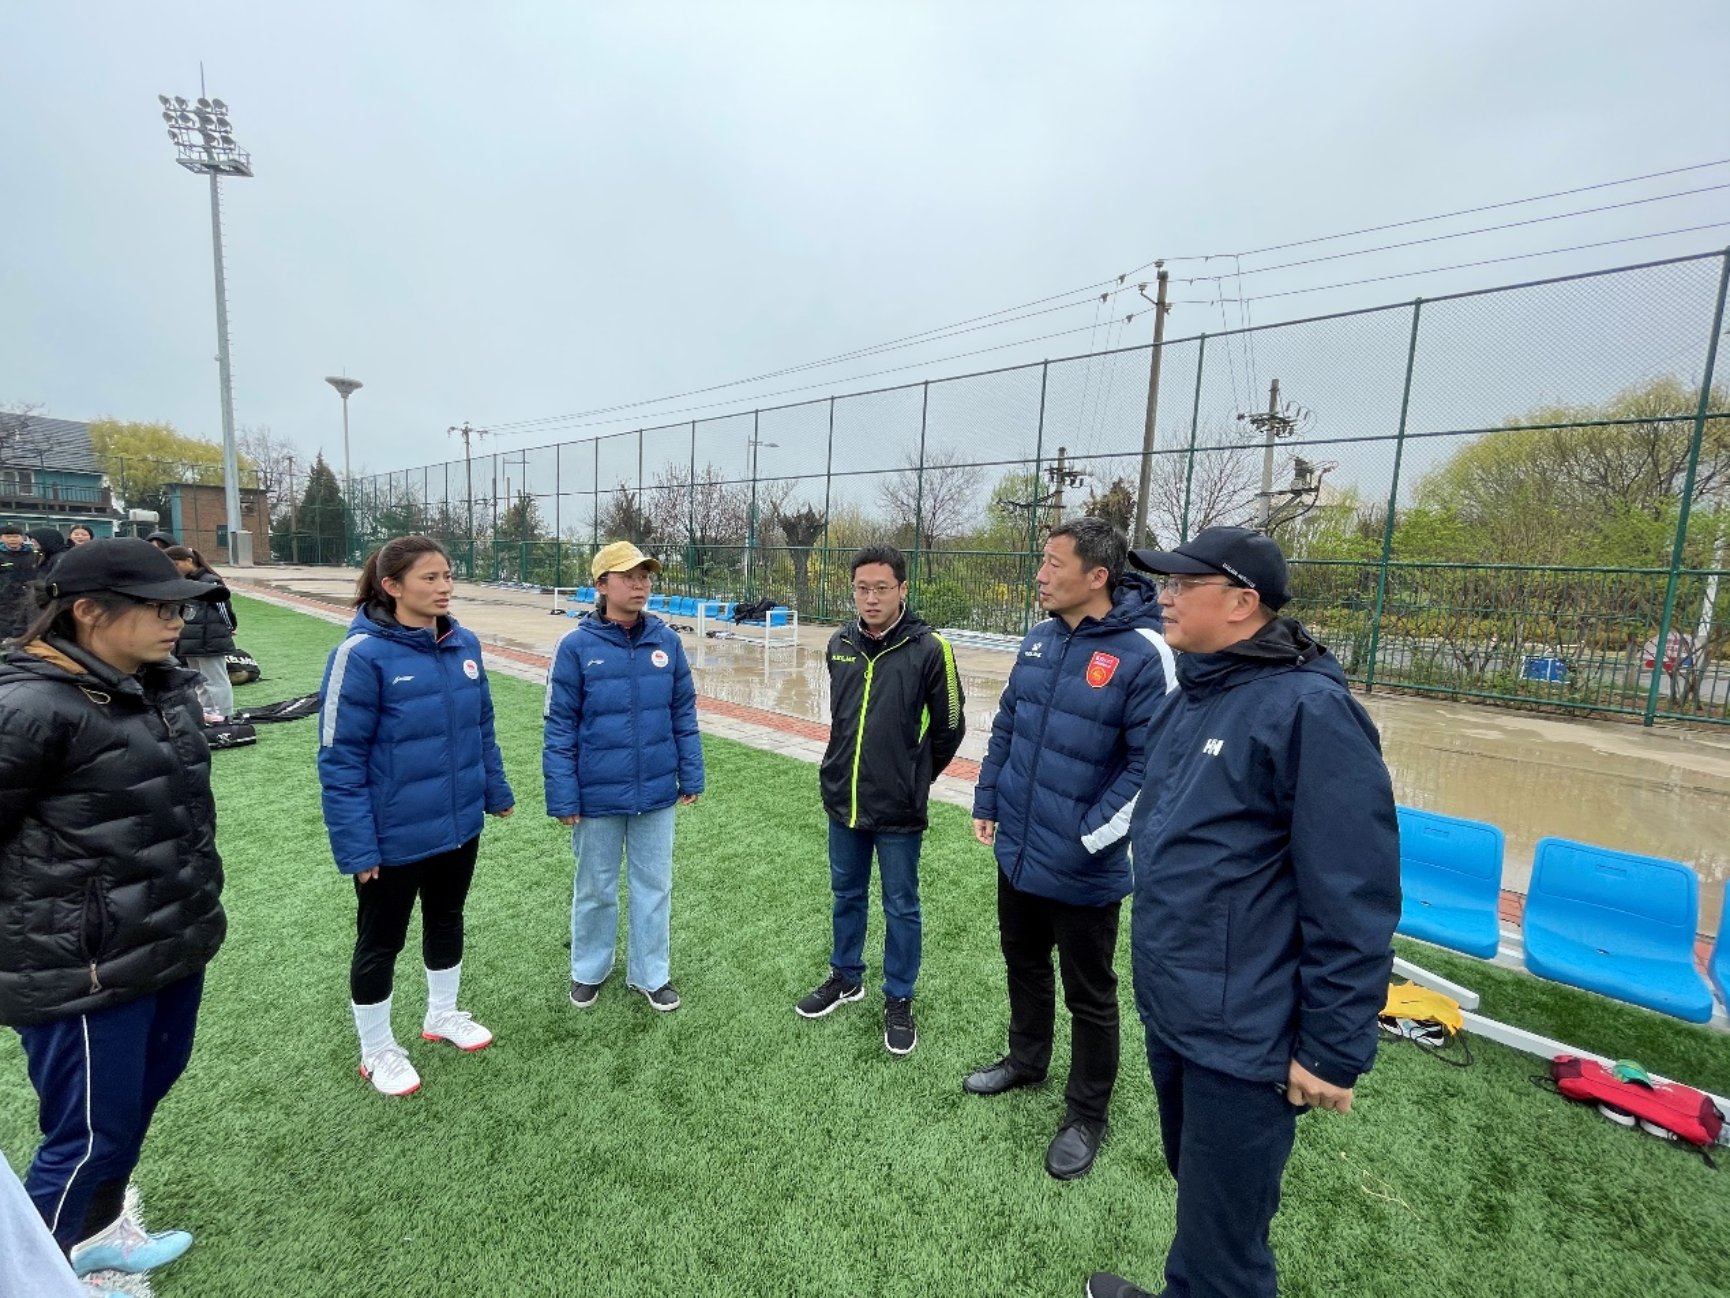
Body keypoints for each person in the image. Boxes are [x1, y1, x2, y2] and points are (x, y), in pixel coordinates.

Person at [1087, 527, 1401, 1298]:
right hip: (1180, 1008)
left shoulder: (1311, 713)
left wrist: (1332, 1047)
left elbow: (1352, 895)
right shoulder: (1194, 695)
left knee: (1226, 1246)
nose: (1162, 597)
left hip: (1243, 1034)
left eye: (1181, 585)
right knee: (1196, 1191)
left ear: (1241, 603)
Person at [0, 538, 228, 1281]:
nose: (175, 621)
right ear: (88, 612)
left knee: (134, 1105)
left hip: (167, 940)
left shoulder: (159, 685)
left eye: (179, 608)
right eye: (157, 608)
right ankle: (35, 1278)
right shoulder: (29, 706)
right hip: (83, 969)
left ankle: (96, 1235)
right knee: (85, 1138)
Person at [967, 517, 1177, 1180]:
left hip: (1085, 864)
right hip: (1018, 849)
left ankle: (1087, 1113)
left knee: (1090, 994)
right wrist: (988, 799)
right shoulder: (1039, 639)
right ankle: (1027, 1061)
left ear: (1097, 576)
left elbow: (1153, 767)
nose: (1040, 575)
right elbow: (1008, 725)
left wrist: (1088, 836)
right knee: (1023, 963)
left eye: (1054, 564)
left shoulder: (1145, 653)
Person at [316, 536, 515, 1098]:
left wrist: (494, 790)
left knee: (447, 918)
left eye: (447, 575)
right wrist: (358, 846)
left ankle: (442, 1014)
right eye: (430, 578)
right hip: (392, 836)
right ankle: (377, 1049)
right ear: (392, 586)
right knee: (381, 941)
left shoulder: (464, 643)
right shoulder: (360, 655)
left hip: (458, 823)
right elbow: (339, 758)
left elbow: (481, 728)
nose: (444, 586)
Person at [797, 544, 966, 1055]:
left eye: (881, 588)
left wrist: (916, 777)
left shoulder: (930, 648)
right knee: (846, 895)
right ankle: (846, 977)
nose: (871, 598)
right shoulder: (839, 643)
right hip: (843, 800)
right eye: (862, 589)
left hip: (899, 809)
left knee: (901, 905)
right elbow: (842, 719)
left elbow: (951, 726)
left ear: (902, 589)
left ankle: (899, 996)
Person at [544, 540, 704, 1013]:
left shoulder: (666, 642)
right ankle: (589, 969)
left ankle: (651, 974)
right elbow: (559, 726)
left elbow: (683, 713)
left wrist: (691, 773)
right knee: (595, 888)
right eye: (629, 576)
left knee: (654, 886)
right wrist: (563, 795)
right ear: (601, 584)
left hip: (656, 792)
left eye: (645, 576)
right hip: (596, 795)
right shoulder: (575, 647)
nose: (640, 585)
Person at [166, 545, 238, 721]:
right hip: (190, 639)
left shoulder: (210, 582)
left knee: (216, 680)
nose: (174, 569)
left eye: (176, 564)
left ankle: (224, 715)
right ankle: (207, 713)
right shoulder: (185, 583)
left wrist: (229, 628)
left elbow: (224, 609)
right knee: (198, 681)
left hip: (210, 638)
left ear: (189, 561)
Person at [0, 523, 34, 640]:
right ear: (1, 538)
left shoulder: (32, 554)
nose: (12, 539)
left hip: (28, 596)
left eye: (16, 536)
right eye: (8, 536)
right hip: (5, 599)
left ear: (22, 538)